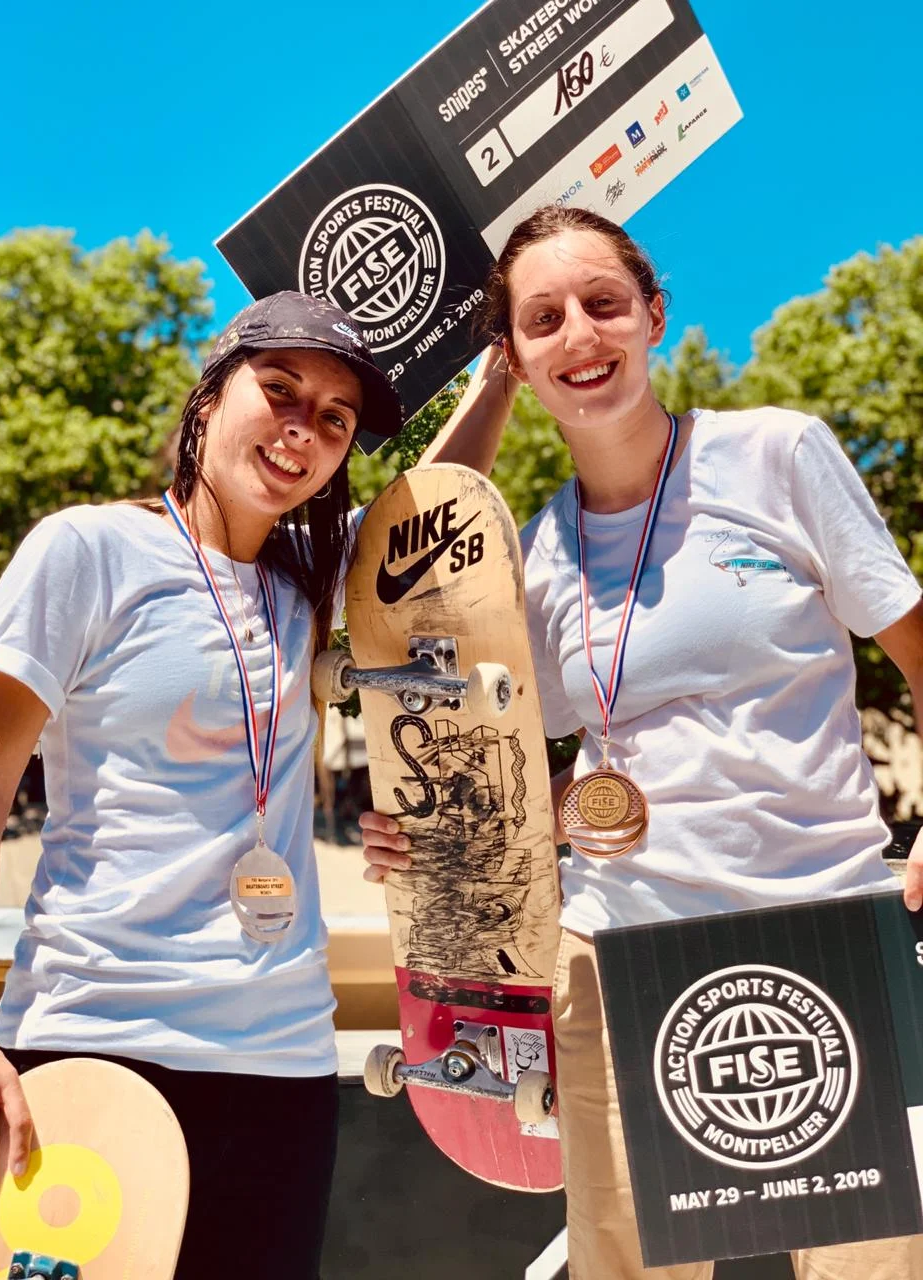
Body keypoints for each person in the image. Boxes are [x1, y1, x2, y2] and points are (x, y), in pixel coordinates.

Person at [359, 205, 923, 1280]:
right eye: (542, 318)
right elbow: (407, 582)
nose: (580, 332)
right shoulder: (530, 555)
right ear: (519, 352)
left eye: (603, 303)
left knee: (872, 1269)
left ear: (654, 314)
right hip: (619, 949)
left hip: (824, 926)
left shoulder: (778, 454)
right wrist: (488, 390)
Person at [0, 291, 403, 1278]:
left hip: (282, 1071)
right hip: (92, 1043)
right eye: (279, 390)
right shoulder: (87, 549)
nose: (304, 429)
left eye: (334, 420)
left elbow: (444, 509)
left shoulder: (309, 592)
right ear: (208, 400)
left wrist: (502, 371)